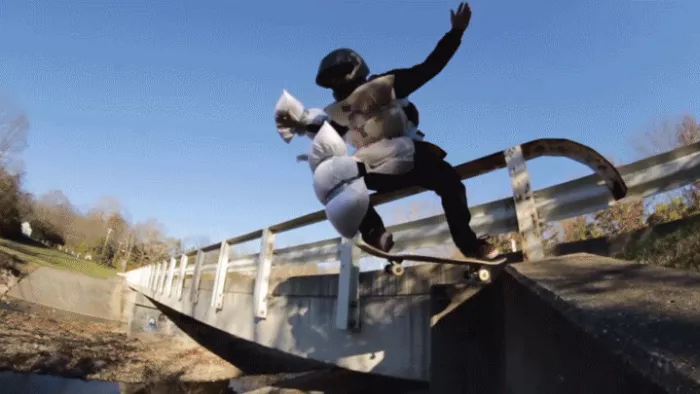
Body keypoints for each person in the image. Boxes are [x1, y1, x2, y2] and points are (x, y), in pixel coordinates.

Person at [276, 2, 498, 260]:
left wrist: (455, 33)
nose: (337, 84)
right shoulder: (340, 114)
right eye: (332, 81)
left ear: (355, 69)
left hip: (411, 158)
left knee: (451, 183)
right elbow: (321, 132)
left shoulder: (389, 85)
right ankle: (375, 233)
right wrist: (299, 124)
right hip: (376, 169)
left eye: (339, 76)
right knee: (339, 179)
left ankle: (470, 246)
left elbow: (429, 68)